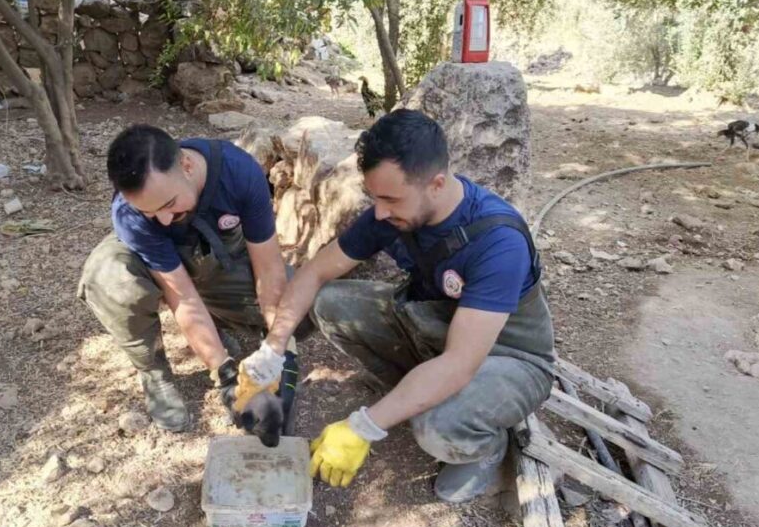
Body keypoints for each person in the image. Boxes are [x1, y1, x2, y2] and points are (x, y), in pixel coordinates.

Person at [237, 109, 555, 502]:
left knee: (436, 424)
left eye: (390, 198)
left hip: (508, 357)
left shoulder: (497, 242)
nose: (380, 211)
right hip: (438, 330)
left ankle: (485, 450)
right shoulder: (391, 213)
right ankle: (413, 392)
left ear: (436, 184)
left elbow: (460, 363)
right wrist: (273, 347)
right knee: (329, 302)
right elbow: (314, 273)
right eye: (375, 197)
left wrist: (364, 427)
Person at [78, 124, 292, 432]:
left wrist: (275, 350)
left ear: (187, 165)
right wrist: (225, 376)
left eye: (168, 205)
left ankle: (220, 323)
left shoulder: (239, 172)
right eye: (151, 213)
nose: (164, 219)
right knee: (110, 277)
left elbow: (269, 269)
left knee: (297, 302)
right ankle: (153, 371)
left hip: (216, 260)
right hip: (166, 268)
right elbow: (182, 295)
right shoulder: (129, 213)